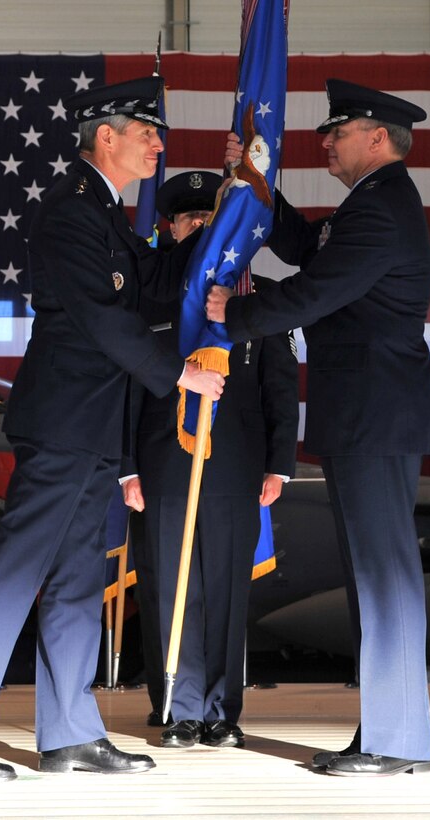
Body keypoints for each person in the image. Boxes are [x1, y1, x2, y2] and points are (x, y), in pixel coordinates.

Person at [0, 75, 225, 782]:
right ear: (104, 137)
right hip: (64, 418)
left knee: (79, 578)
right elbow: (107, 320)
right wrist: (181, 375)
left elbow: (156, 281)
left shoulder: (107, 217)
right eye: (147, 133)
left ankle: (71, 732)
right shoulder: (72, 212)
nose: (158, 145)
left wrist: (221, 223)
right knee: (18, 565)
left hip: (94, 425)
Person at [207, 78, 430, 776]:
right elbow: (306, 247)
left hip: (377, 416)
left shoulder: (380, 211)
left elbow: (317, 291)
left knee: (384, 578)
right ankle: (388, 729)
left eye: (337, 131)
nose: (325, 141)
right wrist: (255, 186)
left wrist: (236, 313)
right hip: (367, 415)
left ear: (377, 138)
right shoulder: (370, 207)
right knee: (374, 576)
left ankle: (398, 740)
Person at [123, 170, 299, 748]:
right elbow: (124, 390)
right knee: (171, 586)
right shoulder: (147, 295)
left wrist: (279, 463)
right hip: (162, 465)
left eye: (212, 218)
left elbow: (279, 388)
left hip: (237, 465)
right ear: (169, 228)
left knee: (225, 587)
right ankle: (178, 708)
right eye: (189, 219)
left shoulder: (258, 297)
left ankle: (222, 710)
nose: (200, 226)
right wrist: (127, 466)